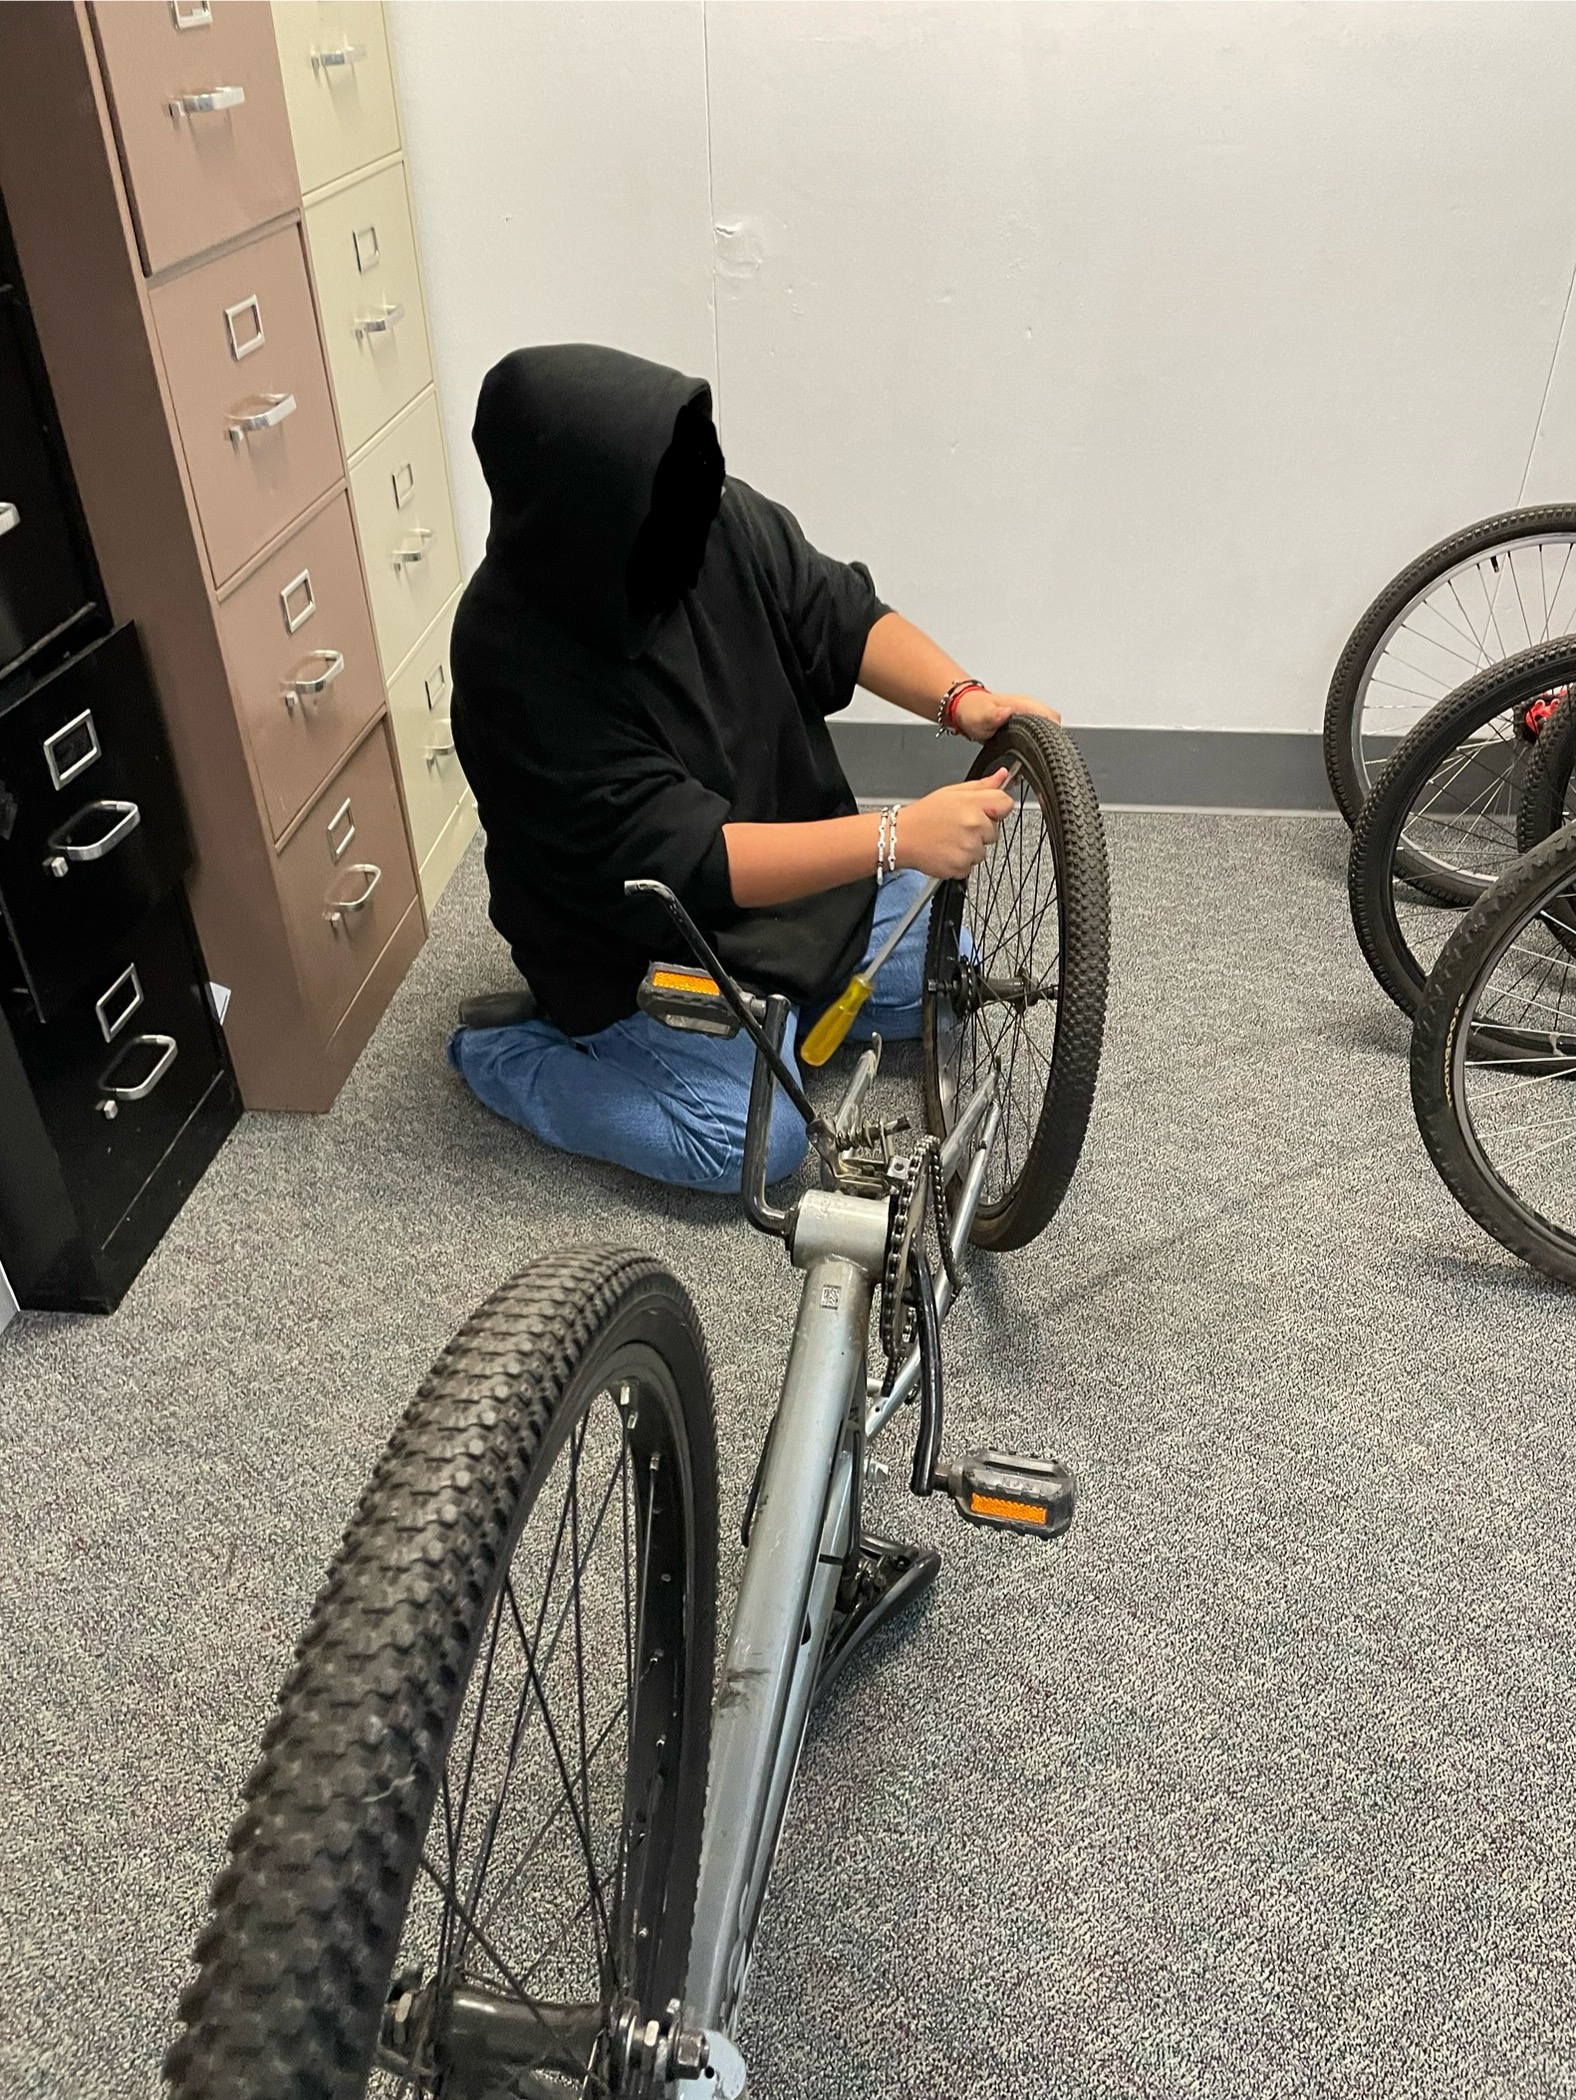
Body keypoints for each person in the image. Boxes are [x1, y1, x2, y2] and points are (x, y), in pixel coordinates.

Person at [447, 344, 1060, 1193]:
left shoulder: (707, 517)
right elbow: (689, 860)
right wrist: (897, 837)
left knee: (947, 961)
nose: (693, 515)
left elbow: (837, 613)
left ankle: (783, 1016)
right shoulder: (512, 664)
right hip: (644, 943)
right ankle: (509, 1057)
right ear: (590, 514)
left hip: (788, 889)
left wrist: (964, 701)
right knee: (751, 1147)